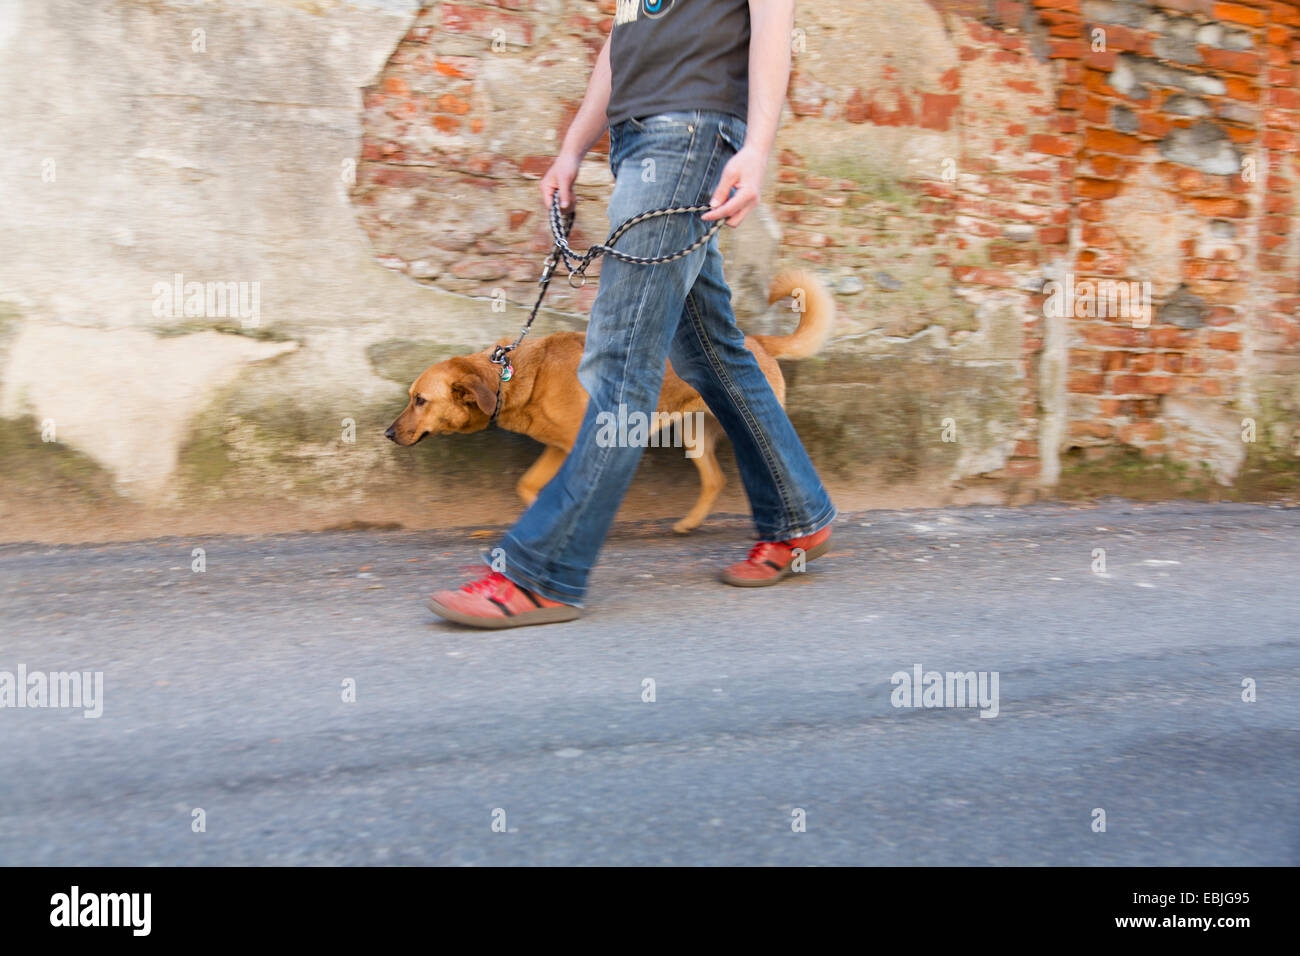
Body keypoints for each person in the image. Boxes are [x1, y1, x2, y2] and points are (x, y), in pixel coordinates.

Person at [428, 0, 836, 628]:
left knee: (620, 362)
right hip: (640, 143)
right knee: (709, 350)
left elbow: (771, 24)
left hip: (689, 135)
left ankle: (542, 572)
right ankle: (796, 516)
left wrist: (756, 148)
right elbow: (619, 47)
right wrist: (571, 150)